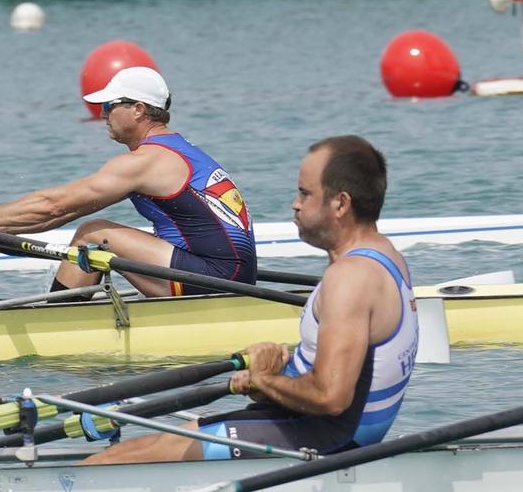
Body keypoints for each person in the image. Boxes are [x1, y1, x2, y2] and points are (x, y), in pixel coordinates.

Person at [83, 135, 417, 463]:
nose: (295, 203)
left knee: (122, 458)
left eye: (305, 193)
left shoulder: (351, 278)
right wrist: (276, 368)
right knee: (157, 442)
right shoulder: (385, 255)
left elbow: (331, 397)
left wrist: (265, 379)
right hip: (314, 424)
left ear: (341, 204)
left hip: (324, 437)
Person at [0, 66, 255, 296]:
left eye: (108, 105)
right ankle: (65, 318)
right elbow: (59, 215)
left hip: (219, 278)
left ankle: (57, 329)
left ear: (138, 110)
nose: (102, 114)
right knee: (88, 232)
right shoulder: (177, 150)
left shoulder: (146, 161)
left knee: (94, 234)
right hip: (230, 275)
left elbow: (50, 205)